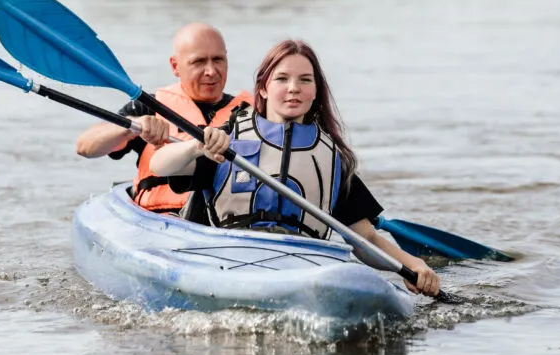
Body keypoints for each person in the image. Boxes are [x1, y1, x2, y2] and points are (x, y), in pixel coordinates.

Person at [148, 39, 441, 296]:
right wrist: (195, 146)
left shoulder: (332, 159)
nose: (293, 89)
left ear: (315, 92)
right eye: (282, 79)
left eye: (304, 80)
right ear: (263, 88)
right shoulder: (225, 141)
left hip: (301, 266)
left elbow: (365, 238)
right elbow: (159, 165)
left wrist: (412, 264)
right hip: (232, 260)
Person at [75, 23, 252, 214]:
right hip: (161, 218)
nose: (211, 71)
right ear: (175, 66)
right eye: (198, 62)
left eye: (218, 59)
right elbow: (85, 147)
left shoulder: (251, 113)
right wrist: (132, 127)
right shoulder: (150, 107)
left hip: (225, 220)